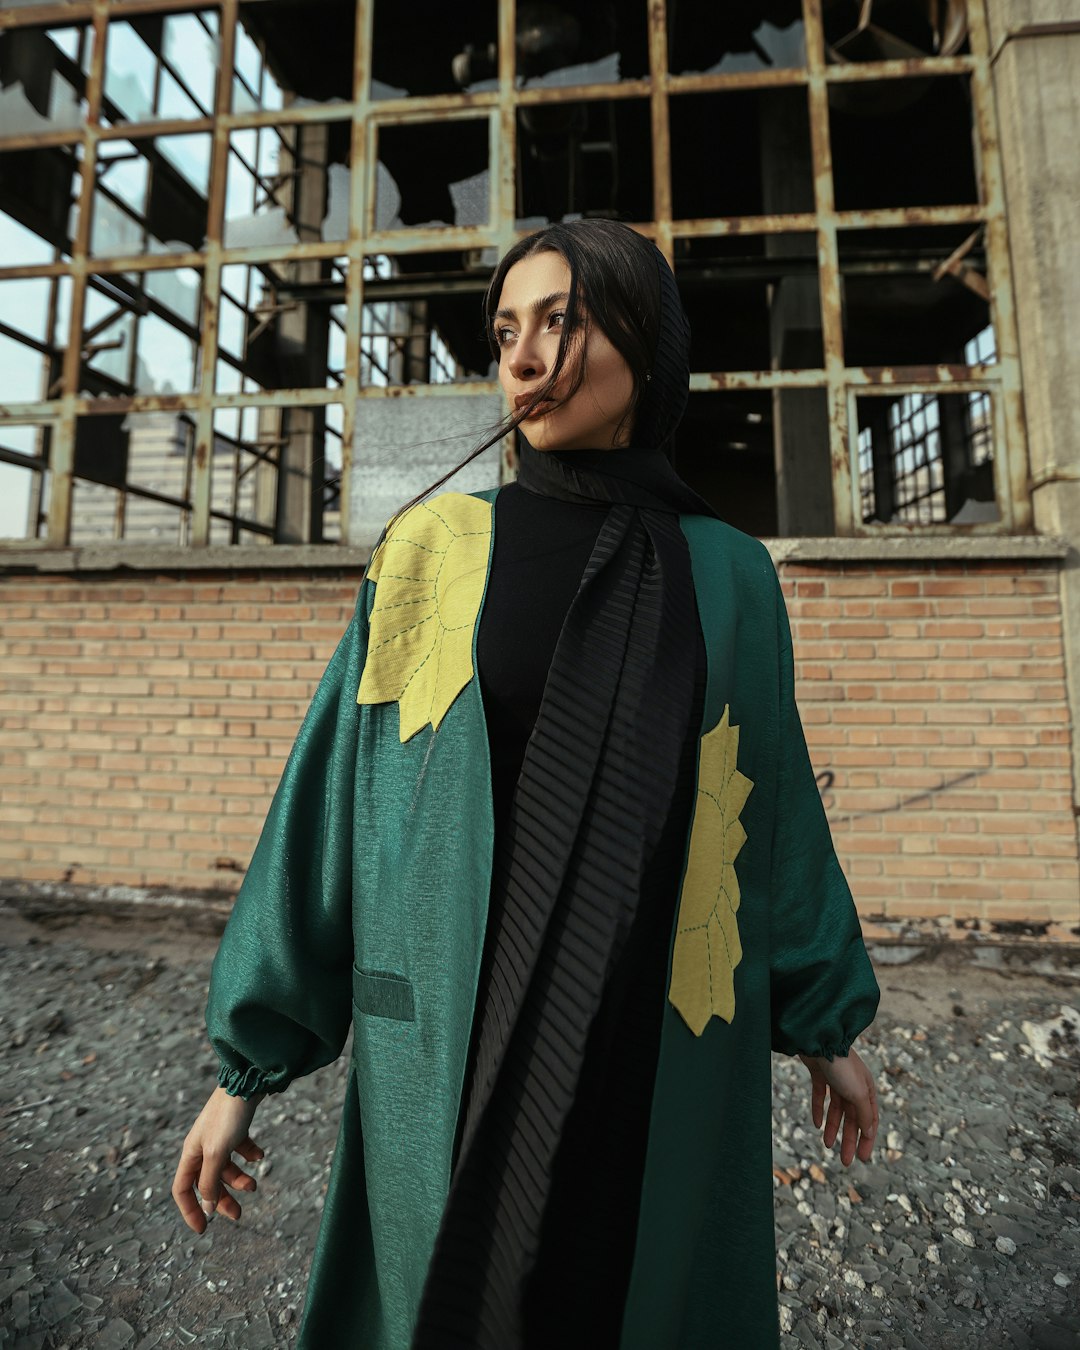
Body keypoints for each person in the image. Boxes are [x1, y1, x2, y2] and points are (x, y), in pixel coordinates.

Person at [172, 218, 881, 1349]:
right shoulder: (434, 549)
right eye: (507, 328)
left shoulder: (731, 575)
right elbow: (334, 799)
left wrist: (825, 1024)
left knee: (619, 1293)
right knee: (460, 1296)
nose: (523, 354)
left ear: (645, 342)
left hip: (654, 1033)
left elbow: (771, 809)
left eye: (563, 319)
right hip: (453, 1025)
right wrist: (244, 1070)